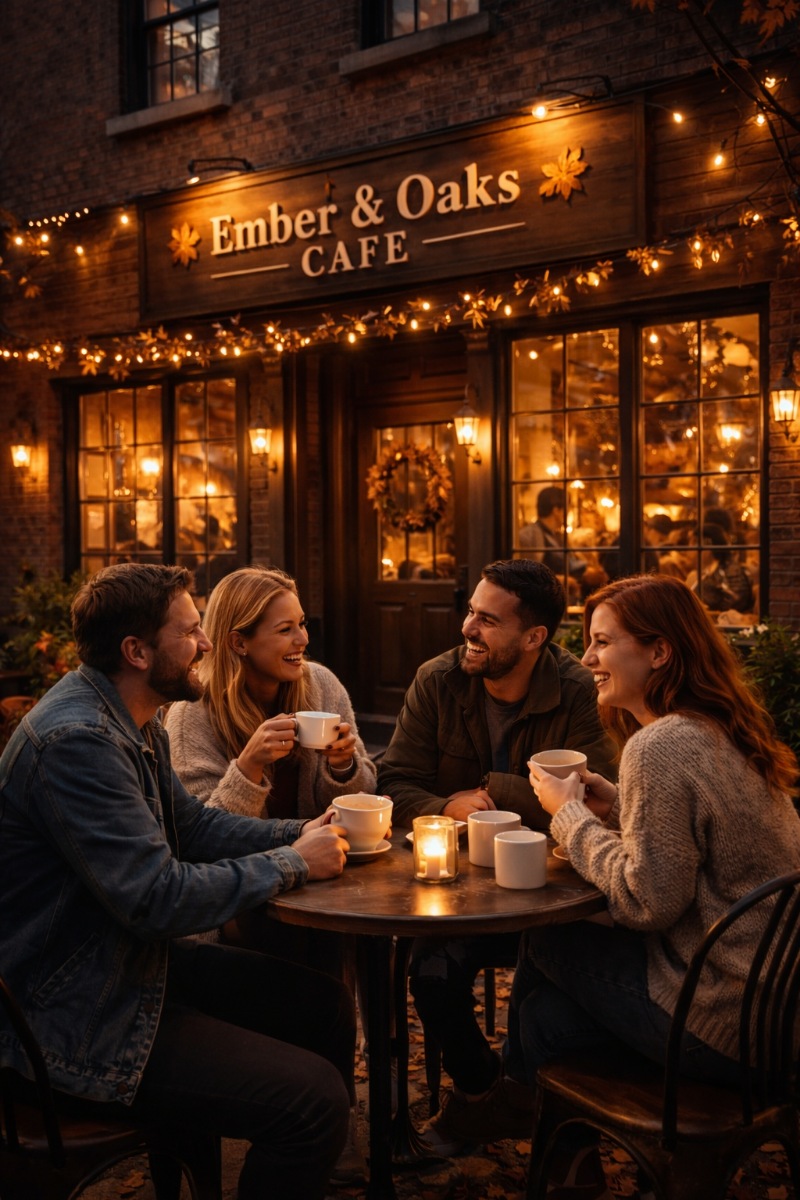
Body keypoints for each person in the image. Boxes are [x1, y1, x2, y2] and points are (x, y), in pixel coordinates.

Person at [0, 563, 357, 1200]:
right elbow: (157, 899)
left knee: (323, 1006)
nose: (208, 644)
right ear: (136, 651)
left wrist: (307, 830)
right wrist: (295, 862)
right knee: (315, 1102)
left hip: (129, 969)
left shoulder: (131, 716)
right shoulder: (78, 740)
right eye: (192, 632)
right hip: (77, 1015)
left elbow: (191, 828)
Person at [462, 574, 800, 1200]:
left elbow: (647, 902)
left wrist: (568, 814)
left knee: (543, 939)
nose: (586, 659)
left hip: (723, 1025)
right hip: (776, 1016)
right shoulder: (717, 727)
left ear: (659, 651)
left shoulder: (661, 745)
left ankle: (524, 1112)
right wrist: (616, 806)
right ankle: (547, 1134)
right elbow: (691, 850)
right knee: (544, 1016)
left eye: (601, 643)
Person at [377, 558, 617, 1155]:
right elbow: (394, 782)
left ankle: (567, 1138)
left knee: (554, 993)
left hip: (558, 896)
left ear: (534, 638)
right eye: (470, 612)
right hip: (458, 894)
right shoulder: (439, 680)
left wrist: (490, 795)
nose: (467, 629)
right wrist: (448, 810)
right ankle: (492, 1097)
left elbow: (600, 795)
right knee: (430, 973)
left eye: (487, 620)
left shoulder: (579, 691)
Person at [165, 565, 375, 1183]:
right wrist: (250, 767)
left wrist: (343, 766)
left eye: (302, 624)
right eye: (285, 630)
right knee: (293, 957)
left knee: (331, 945)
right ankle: (302, 1101)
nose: (301, 641)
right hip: (239, 890)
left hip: (319, 870)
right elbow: (199, 834)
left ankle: (336, 1120)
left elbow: (364, 787)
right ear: (238, 641)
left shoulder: (322, 686)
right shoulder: (192, 715)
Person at [518, 485, 587, 581]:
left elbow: (571, 564)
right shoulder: (529, 535)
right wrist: (562, 580)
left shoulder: (557, 535)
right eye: (567, 509)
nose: (568, 513)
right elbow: (529, 575)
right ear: (556, 511)